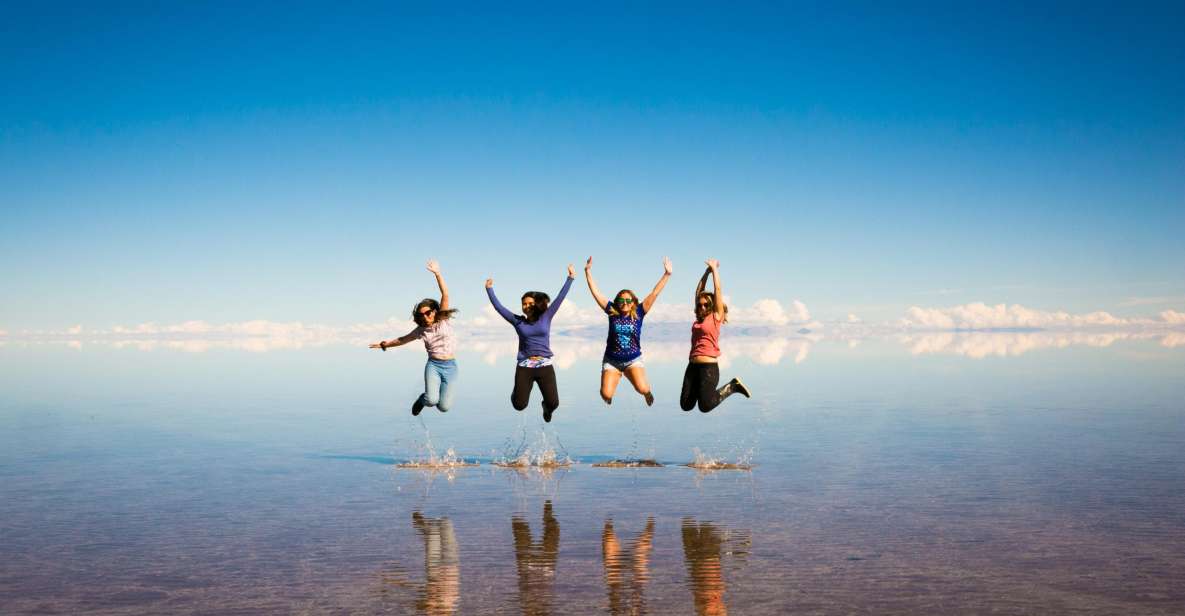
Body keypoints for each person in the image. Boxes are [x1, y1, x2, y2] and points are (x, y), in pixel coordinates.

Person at [486, 264, 575, 422]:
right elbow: (499, 308)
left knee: (553, 403)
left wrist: (570, 278)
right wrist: (489, 290)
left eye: (529, 303)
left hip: (545, 365)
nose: (526, 306)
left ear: (537, 304)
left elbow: (560, 298)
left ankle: (546, 409)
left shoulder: (546, 317)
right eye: (523, 304)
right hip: (524, 366)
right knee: (519, 405)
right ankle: (516, 392)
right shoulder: (518, 321)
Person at [370, 259, 459, 416]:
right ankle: (422, 400)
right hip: (434, 366)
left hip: (451, 367)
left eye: (428, 312)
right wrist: (384, 344)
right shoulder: (421, 330)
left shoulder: (443, 320)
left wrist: (437, 273)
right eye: (421, 314)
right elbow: (403, 340)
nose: (425, 316)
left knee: (444, 407)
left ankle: (431, 400)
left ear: (434, 311)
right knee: (431, 400)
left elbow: (445, 294)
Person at [583, 256, 672, 406]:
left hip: (633, 360)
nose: (625, 303)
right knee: (606, 394)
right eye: (621, 300)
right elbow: (596, 293)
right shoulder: (612, 311)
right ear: (617, 302)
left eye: (628, 300)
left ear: (633, 302)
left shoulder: (639, 312)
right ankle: (614, 378)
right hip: (612, 361)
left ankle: (646, 392)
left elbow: (654, 293)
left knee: (642, 388)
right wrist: (587, 272)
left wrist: (667, 274)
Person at [680, 259, 751, 412]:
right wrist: (706, 272)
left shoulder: (716, 317)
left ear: (712, 305)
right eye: (700, 304)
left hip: (708, 368)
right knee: (685, 405)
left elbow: (718, 290)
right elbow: (698, 291)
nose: (702, 306)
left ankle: (732, 386)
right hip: (692, 366)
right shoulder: (698, 319)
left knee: (705, 406)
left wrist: (714, 270)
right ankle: (704, 391)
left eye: (706, 304)